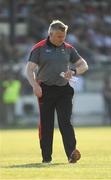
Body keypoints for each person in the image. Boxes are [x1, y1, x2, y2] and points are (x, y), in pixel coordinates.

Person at [25, 20, 88, 163]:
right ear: (50, 34)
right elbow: (29, 70)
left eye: (64, 36)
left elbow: (84, 65)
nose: (62, 39)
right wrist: (35, 86)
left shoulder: (68, 48)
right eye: (59, 36)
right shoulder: (39, 48)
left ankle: (71, 154)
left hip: (64, 90)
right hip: (45, 90)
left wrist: (74, 71)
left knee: (65, 121)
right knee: (46, 124)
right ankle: (46, 158)